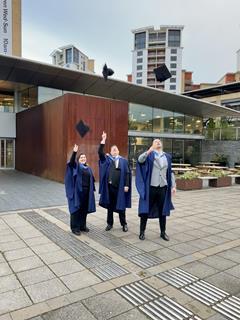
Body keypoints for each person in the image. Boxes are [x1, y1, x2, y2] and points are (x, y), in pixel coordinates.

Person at [136, 139, 176, 241]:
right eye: (155, 141)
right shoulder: (149, 155)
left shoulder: (167, 156)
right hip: (151, 188)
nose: (158, 142)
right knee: (145, 210)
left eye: (159, 141)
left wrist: (173, 186)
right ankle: (142, 232)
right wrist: (149, 150)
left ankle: (163, 232)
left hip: (162, 187)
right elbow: (140, 160)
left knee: (162, 211)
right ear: (152, 145)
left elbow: (170, 172)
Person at [98, 131, 131, 232]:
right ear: (111, 152)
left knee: (121, 207)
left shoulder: (124, 161)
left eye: (116, 149)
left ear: (118, 151)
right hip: (110, 187)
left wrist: (126, 185)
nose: (114, 151)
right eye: (112, 150)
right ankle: (109, 223)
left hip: (120, 187)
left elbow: (127, 174)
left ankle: (124, 224)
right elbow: (100, 152)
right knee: (110, 206)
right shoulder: (107, 159)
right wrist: (103, 140)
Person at [65, 144, 96, 235]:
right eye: (81, 157)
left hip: (87, 192)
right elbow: (71, 163)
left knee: (84, 210)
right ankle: (75, 228)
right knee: (76, 210)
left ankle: (82, 226)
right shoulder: (76, 167)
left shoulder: (88, 168)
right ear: (78, 160)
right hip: (78, 192)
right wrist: (74, 152)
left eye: (84, 157)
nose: (83, 158)